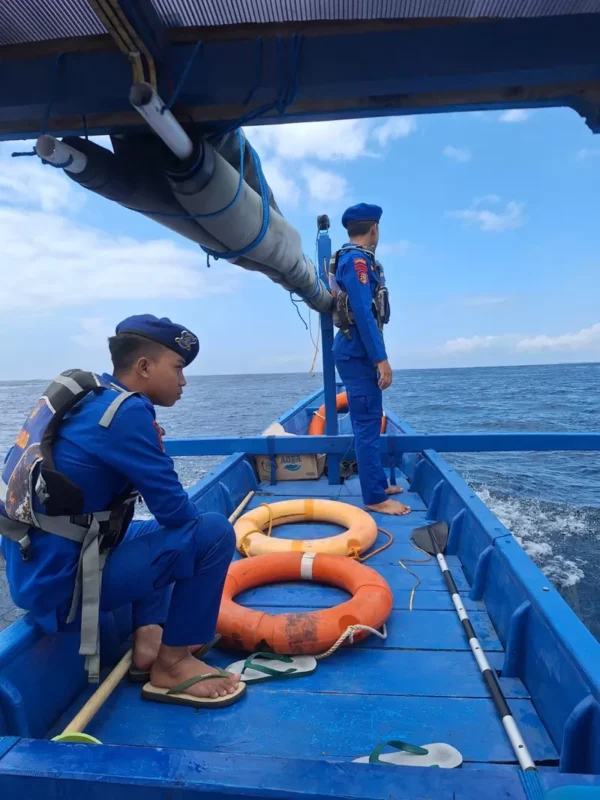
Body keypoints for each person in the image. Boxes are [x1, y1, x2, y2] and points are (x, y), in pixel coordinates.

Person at [0, 314, 244, 709]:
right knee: (212, 533)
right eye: (178, 368)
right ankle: (173, 664)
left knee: (148, 532)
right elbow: (178, 515)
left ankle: (149, 637)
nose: (184, 382)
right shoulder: (126, 415)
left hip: (37, 565)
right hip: (64, 584)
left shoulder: (92, 396)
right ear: (144, 367)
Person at [330, 203, 411, 516]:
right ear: (374, 229)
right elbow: (364, 312)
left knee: (370, 420)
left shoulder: (353, 260)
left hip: (355, 350)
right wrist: (381, 359)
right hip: (358, 353)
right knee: (366, 424)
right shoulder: (357, 262)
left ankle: (377, 481)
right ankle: (375, 498)